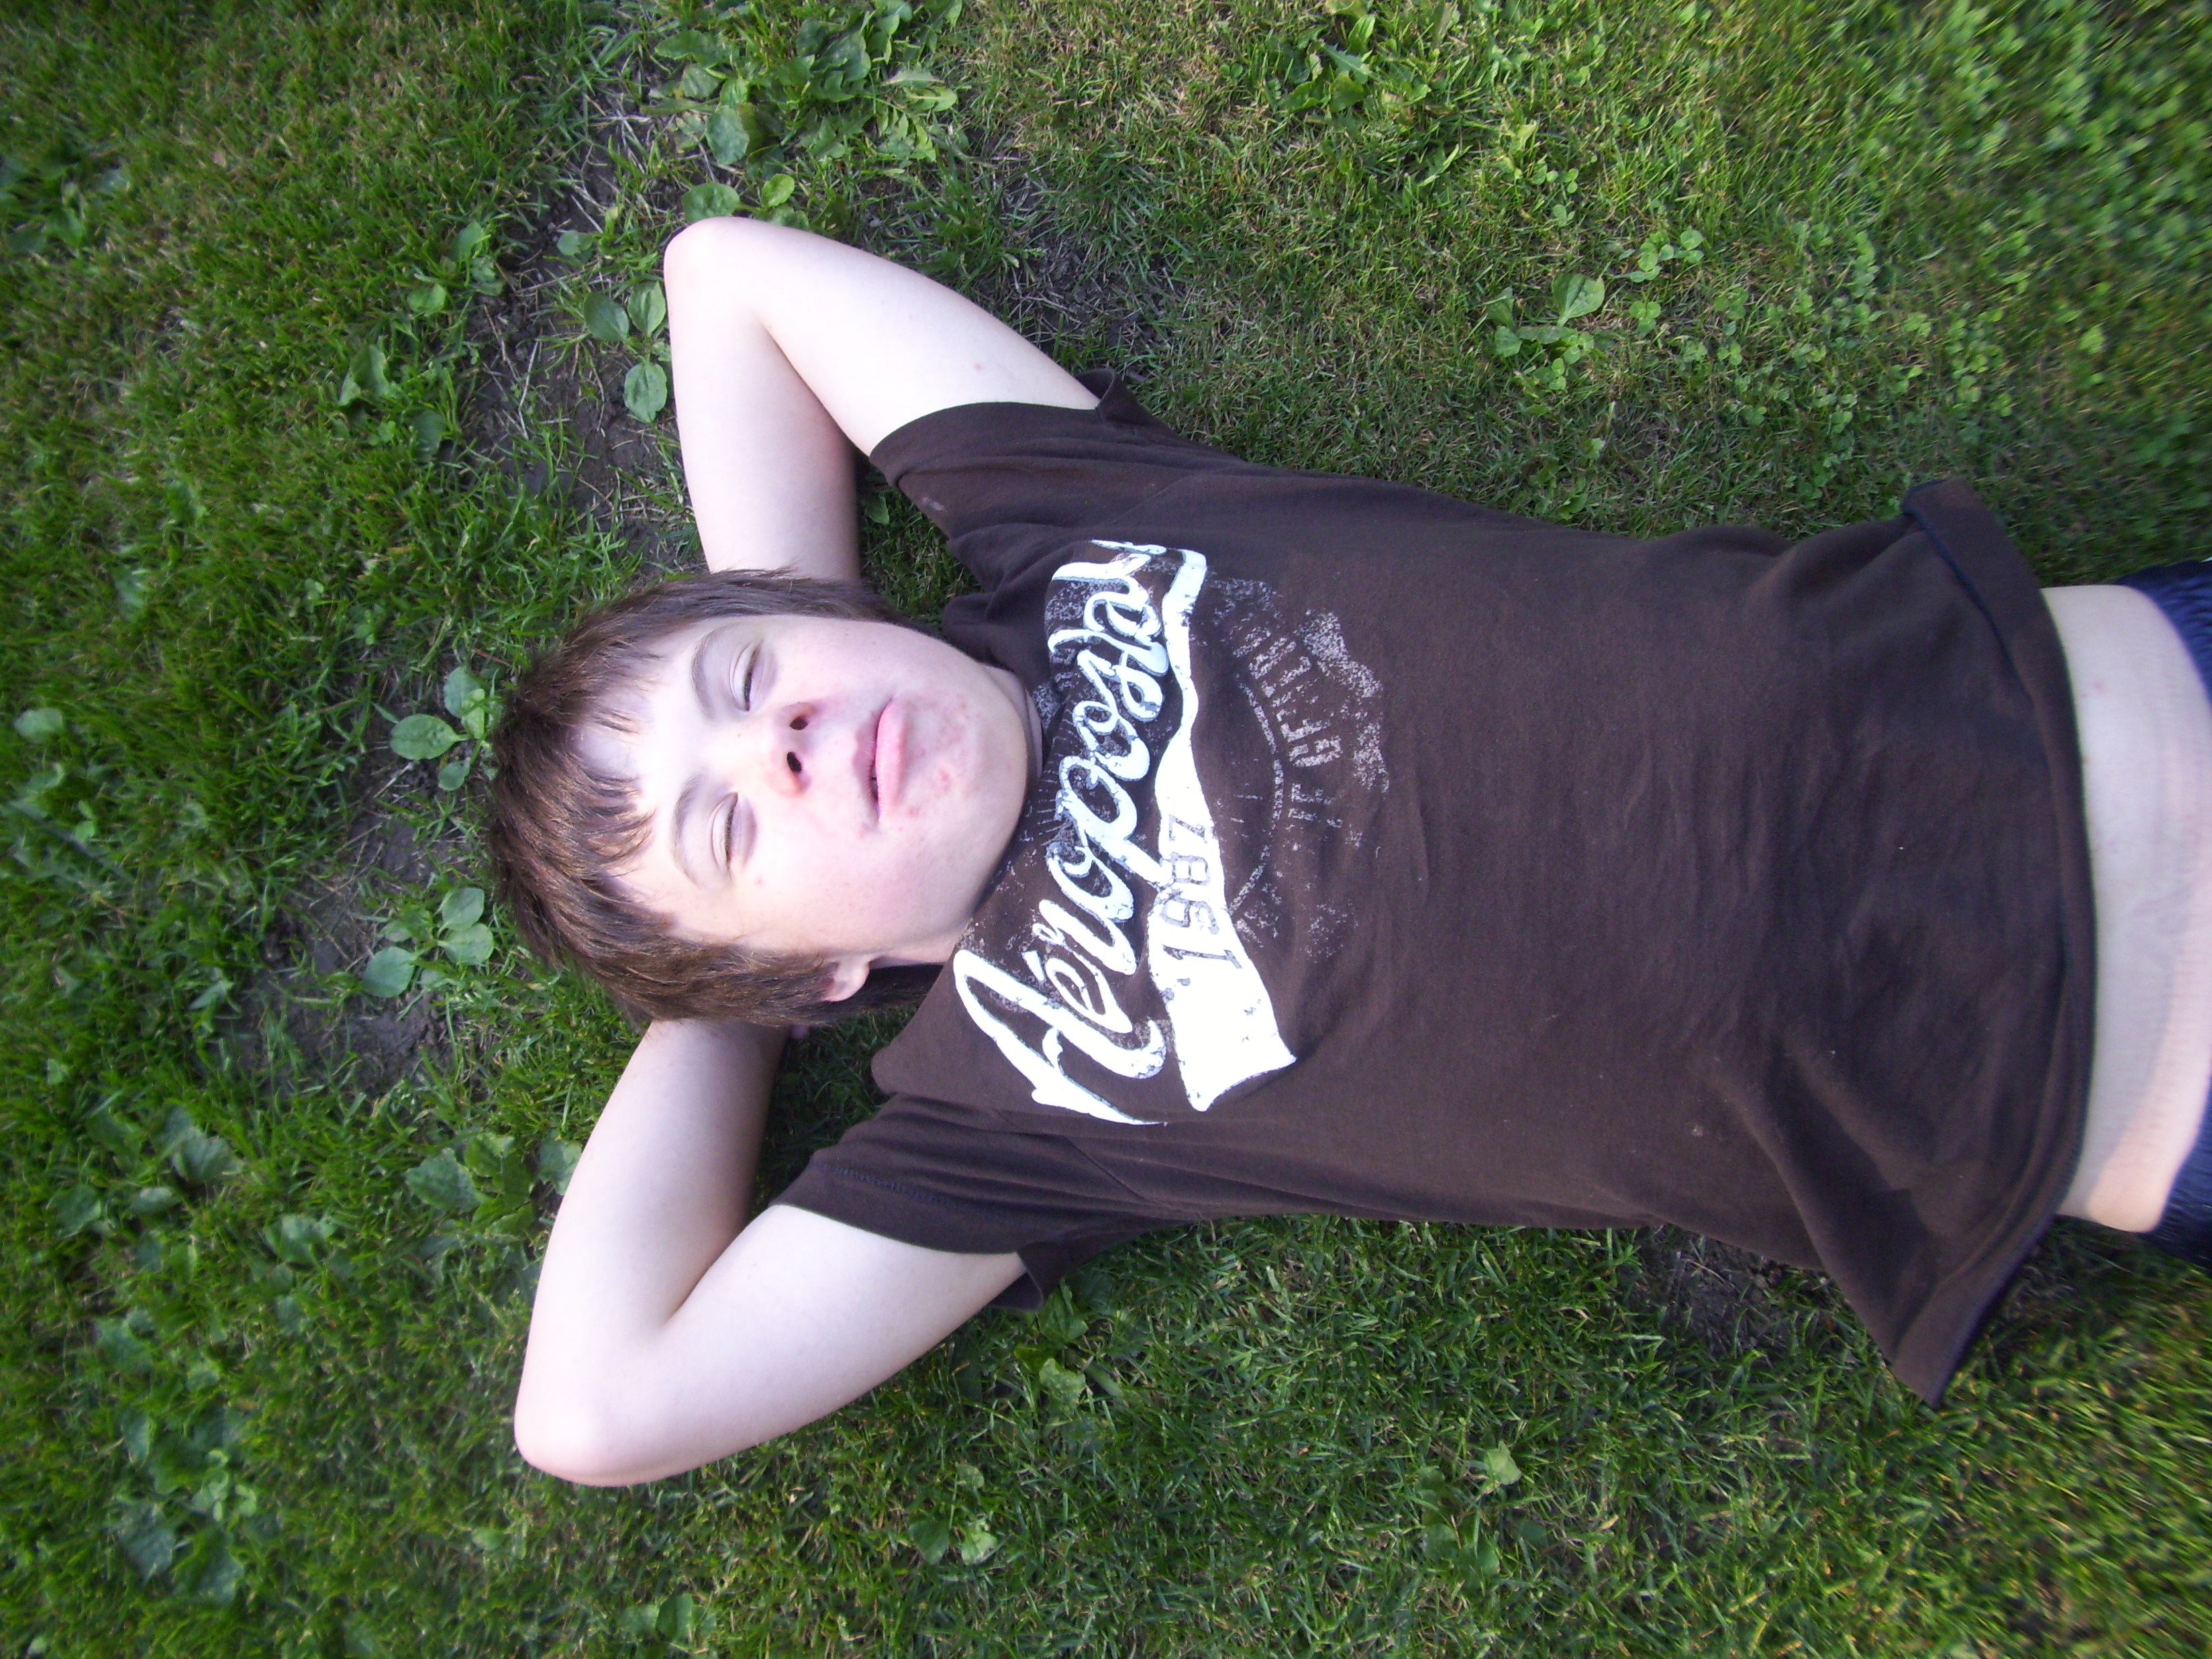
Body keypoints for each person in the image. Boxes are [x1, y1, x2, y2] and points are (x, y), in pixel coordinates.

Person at [489, 217, 2212, 1487]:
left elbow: (723, 279)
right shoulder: (1002, 1116)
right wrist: (727, 1003)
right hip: (2143, 1078)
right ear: (818, 975)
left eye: (751, 681)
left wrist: (803, 645)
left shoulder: (1058, 520)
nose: (781, 742)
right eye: (733, 825)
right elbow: (596, 1410)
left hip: (2127, 683)